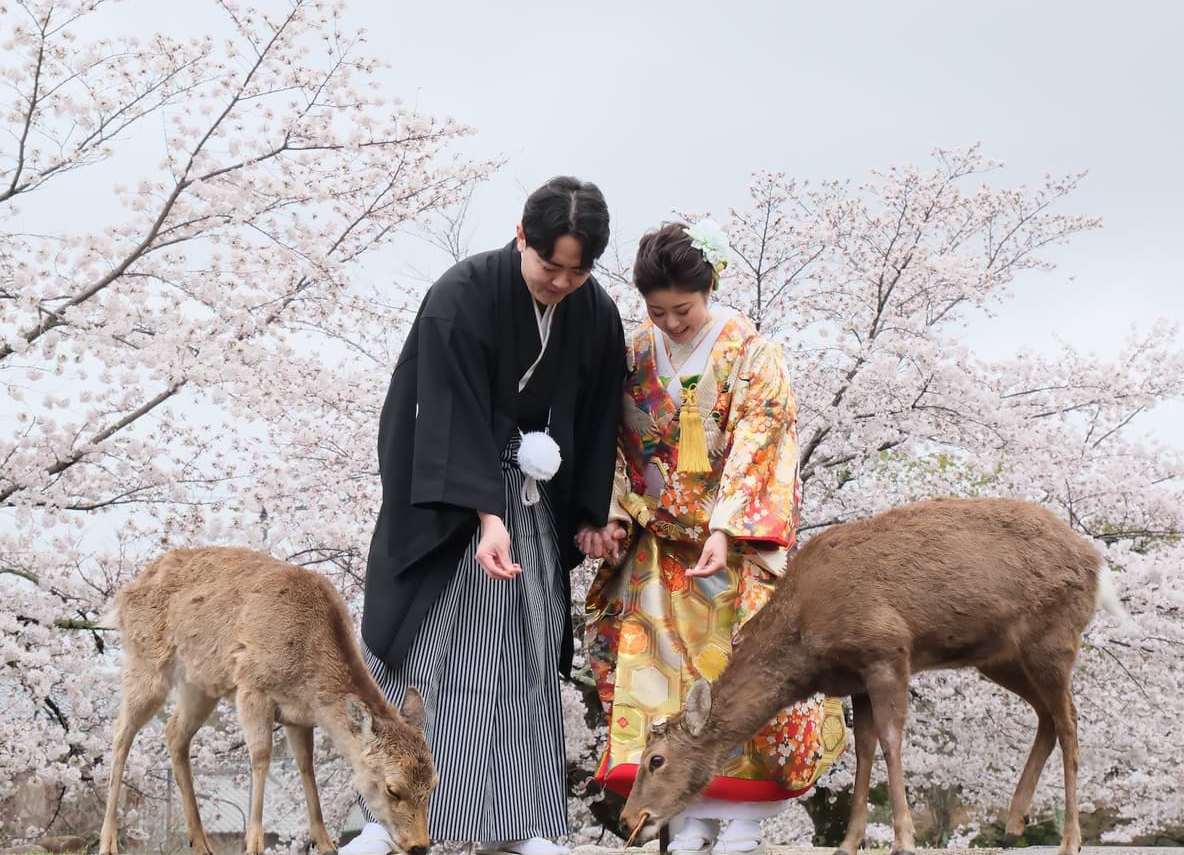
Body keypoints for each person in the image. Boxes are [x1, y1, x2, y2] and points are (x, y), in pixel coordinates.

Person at [344, 178, 627, 855]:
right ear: (521, 236)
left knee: (525, 662)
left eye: (578, 269)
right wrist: (484, 513)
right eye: (549, 264)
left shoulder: (594, 312)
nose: (561, 280)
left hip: (530, 509)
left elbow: (595, 418)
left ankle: (524, 822)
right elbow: (440, 410)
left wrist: (590, 513)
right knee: (426, 661)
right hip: (451, 515)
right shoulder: (462, 294)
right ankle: (384, 822)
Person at [581, 221, 847, 855]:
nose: (671, 323)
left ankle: (746, 821)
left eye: (684, 309)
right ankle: (687, 812)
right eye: (657, 310)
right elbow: (612, 441)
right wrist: (616, 511)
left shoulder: (754, 354)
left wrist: (727, 528)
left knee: (744, 677)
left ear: (711, 289)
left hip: (734, 545)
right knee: (664, 679)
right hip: (659, 541)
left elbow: (763, 442)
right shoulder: (634, 351)